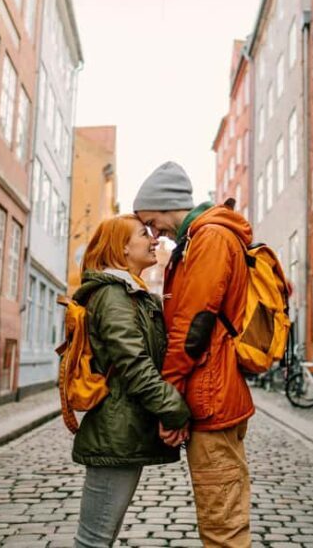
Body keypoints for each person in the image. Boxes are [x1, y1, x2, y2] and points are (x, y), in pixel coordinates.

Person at [134, 161, 254, 547]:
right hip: (211, 391)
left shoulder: (210, 238)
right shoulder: (197, 240)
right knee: (220, 513)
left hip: (212, 396)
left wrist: (169, 399)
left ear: (166, 204)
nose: (154, 233)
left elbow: (192, 326)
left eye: (151, 221)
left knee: (223, 522)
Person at [70, 215, 191, 548]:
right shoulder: (113, 295)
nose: (154, 240)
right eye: (144, 234)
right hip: (115, 432)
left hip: (125, 430)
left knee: (100, 537)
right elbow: (134, 364)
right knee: (93, 540)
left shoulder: (133, 295)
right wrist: (174, 410)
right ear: (122, 248)